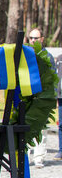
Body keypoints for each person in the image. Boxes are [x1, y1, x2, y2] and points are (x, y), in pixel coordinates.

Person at [27, 28, 55, 168]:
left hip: (42, 98)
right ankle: (24, 155)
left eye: (36, 38)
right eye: (31, 37)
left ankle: (39, 157)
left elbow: (52, 79)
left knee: (41, 129)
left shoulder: (47, 56)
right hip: (27, 96)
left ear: (42, 39)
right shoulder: (24, 54)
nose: (33, 40)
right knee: (24, 126)